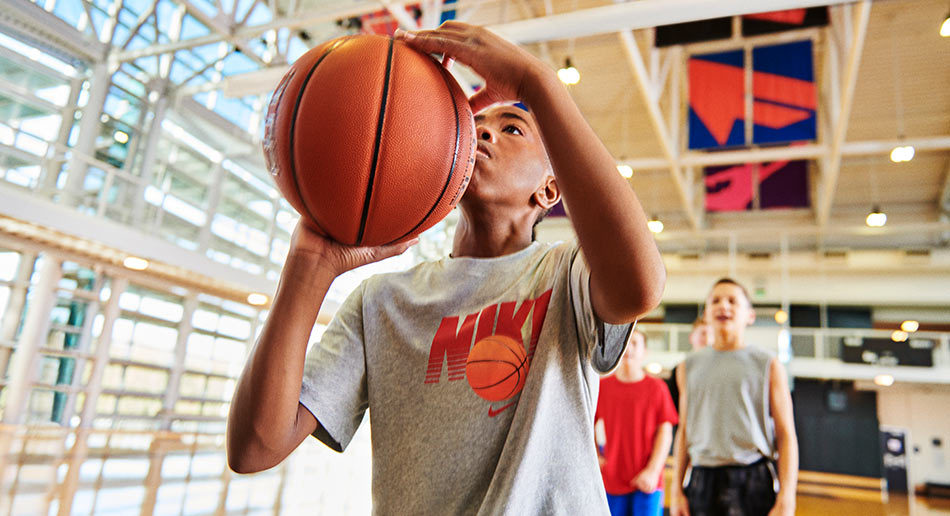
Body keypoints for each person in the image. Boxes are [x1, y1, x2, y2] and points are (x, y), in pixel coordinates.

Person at [226, 22, 666, 514]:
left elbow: (641, 286)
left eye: (512, 128)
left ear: (548, 190)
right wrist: (308, 266)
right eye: (476, 125)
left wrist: (536, 82)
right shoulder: (382, 301)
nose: (483, 132)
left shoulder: (566, 276)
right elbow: (254, 447)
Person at [670, 279, 798, 516]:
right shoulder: (688, 366)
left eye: (732, 301)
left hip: (754, 479)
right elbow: (684, 430)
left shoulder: (768, 364)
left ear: (750, 315)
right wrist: (676, 490)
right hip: (702, 479)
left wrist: (787, 497)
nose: (723, 306)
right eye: (715, 301)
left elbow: (785, 434)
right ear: (706, 314)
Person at [595, 330, 678, 516]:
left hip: (647, 481)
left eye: (635, 343)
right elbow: (584, 425)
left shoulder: (657, 388)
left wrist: (653, 471)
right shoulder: (602, 387)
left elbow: (665, 433)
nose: (628, 348)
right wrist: (595, 456)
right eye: (625, 343)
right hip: (611, 480)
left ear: (645, 352)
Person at [665, 316, 712, 414]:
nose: (707, 339)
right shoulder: (679, 370)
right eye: (703, 333)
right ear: (691, 337)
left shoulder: (722, 371)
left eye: (711, 335)